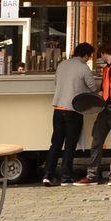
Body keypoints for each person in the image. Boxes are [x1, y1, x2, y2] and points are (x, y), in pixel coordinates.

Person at [74, 42, 111, 187]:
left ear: (105, 52)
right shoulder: (106, 69)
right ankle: (92, 176)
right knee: (96, 141)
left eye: (101, 55)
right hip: (104, 110)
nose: (100, 58)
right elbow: (103, 89)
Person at [43, 42, 96, 186]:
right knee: (70, 145)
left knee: (55, 143)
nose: (88, 59)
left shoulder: (62, 65)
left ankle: (48, 175)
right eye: (89, 56)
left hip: (58, 109)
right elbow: (93, 87)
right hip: (73, 110)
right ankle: (65, 177)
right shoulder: (83, 67)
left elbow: (56, 82)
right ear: (85, 55)